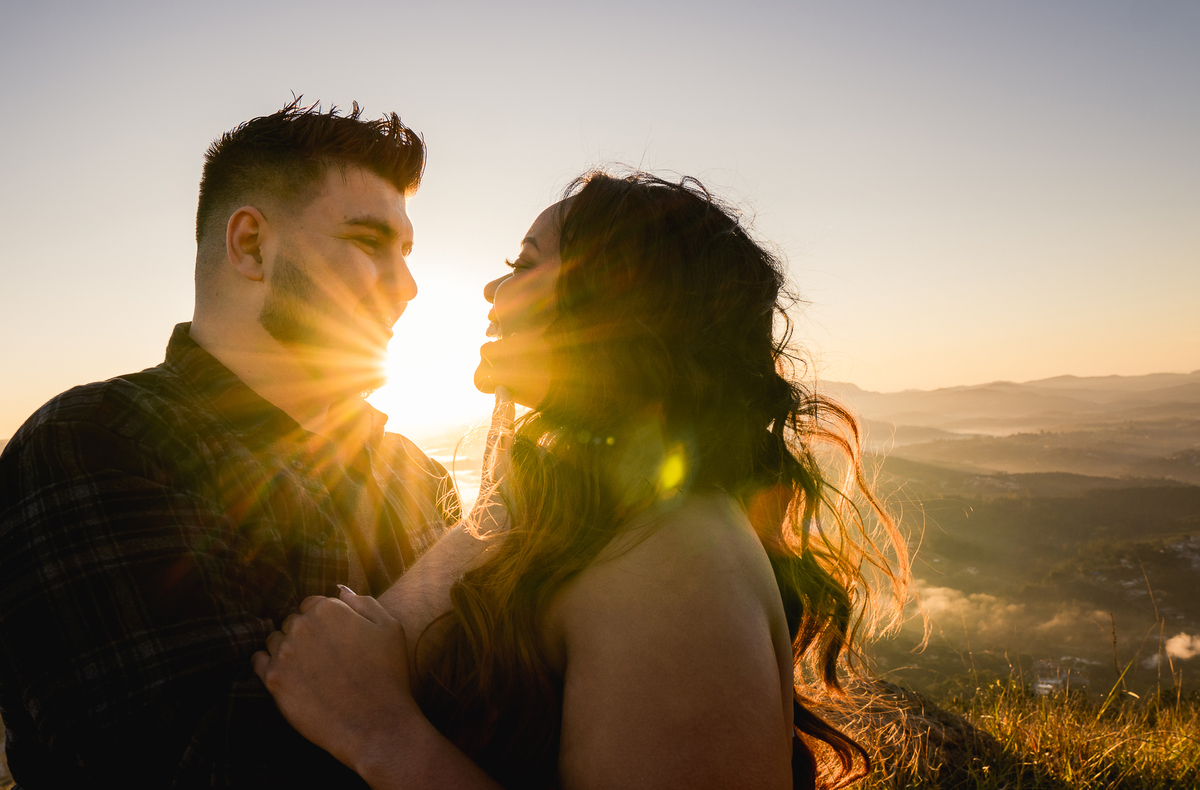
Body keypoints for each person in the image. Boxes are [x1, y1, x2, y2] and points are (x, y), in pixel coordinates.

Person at [253, 172, 912, 789]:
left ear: (621, 299)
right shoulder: (567, 506)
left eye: (525, 263)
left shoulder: (675, 558)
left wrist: (380, 735)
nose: (492, 291)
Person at [0, 100, 459, 787]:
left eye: (407, 252)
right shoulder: (93, 442)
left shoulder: (417, 475)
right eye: (369, 242)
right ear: (250, 245)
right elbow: (191, 767)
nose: (408, 286)